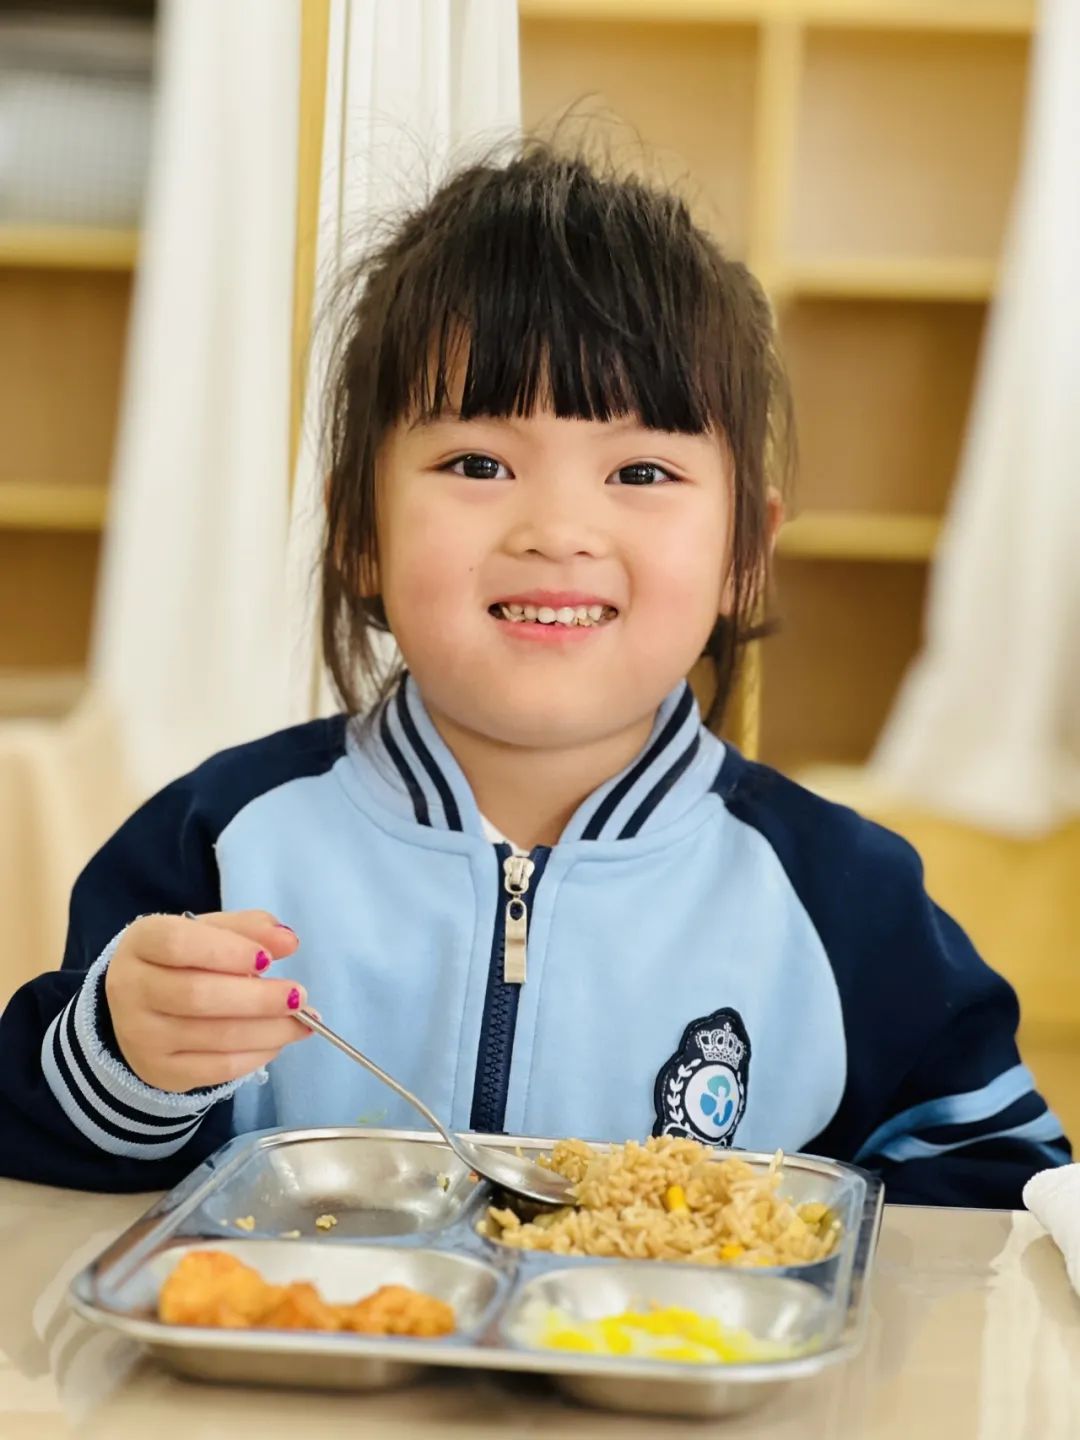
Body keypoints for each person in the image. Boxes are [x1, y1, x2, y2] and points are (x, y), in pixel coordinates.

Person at [0, 143, 1068, 1204]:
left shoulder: (844, 901)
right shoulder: (219, 846)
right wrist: (131, 1058)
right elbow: (43, 1161)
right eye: (479, 464)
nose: (558, 530)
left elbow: (1009, 1198)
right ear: (359, 531)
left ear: (745, 552)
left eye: (641, 470)